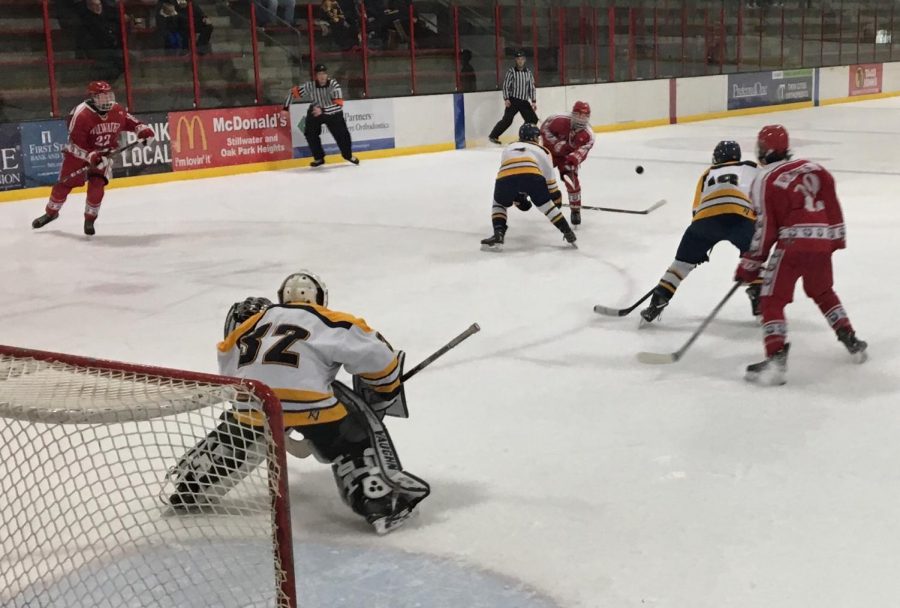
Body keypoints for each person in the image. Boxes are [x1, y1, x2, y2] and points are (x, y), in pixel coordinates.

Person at [167, 272, 429, 534]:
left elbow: (227, 361)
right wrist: (385, 388)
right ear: (320, 297)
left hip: (255, 401)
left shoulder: (250, 324)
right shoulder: (331, 320)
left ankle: (193, 484)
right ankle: (379, 501)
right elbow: (378, 358)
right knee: (350, 439)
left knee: (241, 431)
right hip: (309, 405)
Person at [735, 124, 867, 385]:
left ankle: (775, 360)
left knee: (771, 298)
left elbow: (765, 229)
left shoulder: (764, 179)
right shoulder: (815, 169)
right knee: (823, 291)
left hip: (793, 244)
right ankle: (850, 338)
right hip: (822, 242)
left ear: (767, 150)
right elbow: (832, 206)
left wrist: (750, 265)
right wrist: (835, 240)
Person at [641, 140, 760, 324]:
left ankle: (658, 300)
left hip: (706, 219)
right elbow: (762, 197)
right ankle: (759, 293)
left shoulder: (708, 173)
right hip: (741, 217)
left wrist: (696, 248)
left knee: (681, 264)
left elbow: (696, 210)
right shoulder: (752, 167)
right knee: (755, 257)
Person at [31, 81, 154, 236]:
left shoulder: (117, 110)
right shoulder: (81, 115)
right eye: (102, 97)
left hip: (104, 154)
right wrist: (91, 156)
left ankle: (90, 219)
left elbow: (132, 122)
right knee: (64, 185)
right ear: (92, 98)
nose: (107, 100)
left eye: (109, 96)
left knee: (97, 186)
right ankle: (51, 213)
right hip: (78, 155)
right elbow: (76, 143)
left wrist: (143, 130)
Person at [481, 123, 576, 251]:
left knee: (499, 202)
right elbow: (549, 179)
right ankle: (567, 232)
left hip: (505, 178)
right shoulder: (543, 150)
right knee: (547, 206)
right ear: (534, 137)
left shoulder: (509, 147)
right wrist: (555, 198)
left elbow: (514, 173)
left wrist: (517, 197)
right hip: (532, 176)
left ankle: (498, 234)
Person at [285, 64, 358, 167]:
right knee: (310, 133)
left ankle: (348, 155)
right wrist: (285, 108)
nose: (322, 76)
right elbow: (292, 93)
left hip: (332, 112)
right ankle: (319, 158)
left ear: (327, 74)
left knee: (343, 135)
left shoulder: (334, 85)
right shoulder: (310, 86)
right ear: (316, 76)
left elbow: (338, 105)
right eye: (319, 74)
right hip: (316, 110)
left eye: (324, 74)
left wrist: (323, 110)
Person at [540, 101, 595, 226]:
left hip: (566, 157)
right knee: (538, 173)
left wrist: (573, 158)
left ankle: (575, 210)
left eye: (584, 115)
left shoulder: (589, 135)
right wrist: (553, 143)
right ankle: (522, 194)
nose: (581, 119)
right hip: (551, 153)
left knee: (572, 181)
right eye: (579, 114)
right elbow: (544, 128)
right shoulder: (558, 120)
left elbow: (582, 151)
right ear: (573, 113)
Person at [488, 51, 537, 145]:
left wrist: (533, 101)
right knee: (507, 120)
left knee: (533, 119)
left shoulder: (528, 73)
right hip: (513, 100)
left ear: (525, 60)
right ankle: (493, 136)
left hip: (524, 101)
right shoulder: (511, 72)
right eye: (518, 59)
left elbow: (531, 87)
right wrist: (506, 98)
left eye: (522, 59)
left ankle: (523, 136)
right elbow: (506, 86)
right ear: (516, 60)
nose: (520, 61)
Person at [78, 0, 124, 81]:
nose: (98, 7)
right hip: (97, 49)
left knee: (128, 58)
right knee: (120, 58)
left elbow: (117, 29)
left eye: (99, 5)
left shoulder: (110, 12)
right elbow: (88, 38)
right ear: (89, 6)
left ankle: (106, 81)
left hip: (113, 48)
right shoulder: (84, 17)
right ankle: (104, 81)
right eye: (94, 5)